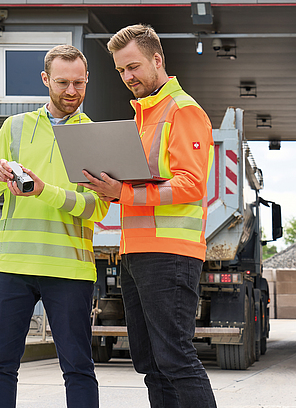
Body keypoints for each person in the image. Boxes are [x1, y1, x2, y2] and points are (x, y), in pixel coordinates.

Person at [82, 24, 217, 408]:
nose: (128, 77)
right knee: (150, 362)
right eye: (121, 71)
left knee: (174, 356)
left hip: (171, 254)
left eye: (134, 67)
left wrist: (120, 192)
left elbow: (191, 185)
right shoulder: (143, 117)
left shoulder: (183, 110)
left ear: (157, 60)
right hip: (135, 254)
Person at [0, 45, 109, 408]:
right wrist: (0, 179)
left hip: (69, 269)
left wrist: (45, 192)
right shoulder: (14, 127)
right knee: (0, 366)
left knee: (78, 368)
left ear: (87, 81)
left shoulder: (96, 136)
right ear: (46, 80)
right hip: (12, 266)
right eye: (62, 82)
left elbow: (97, 208)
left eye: (78, 83)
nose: (71, 91)